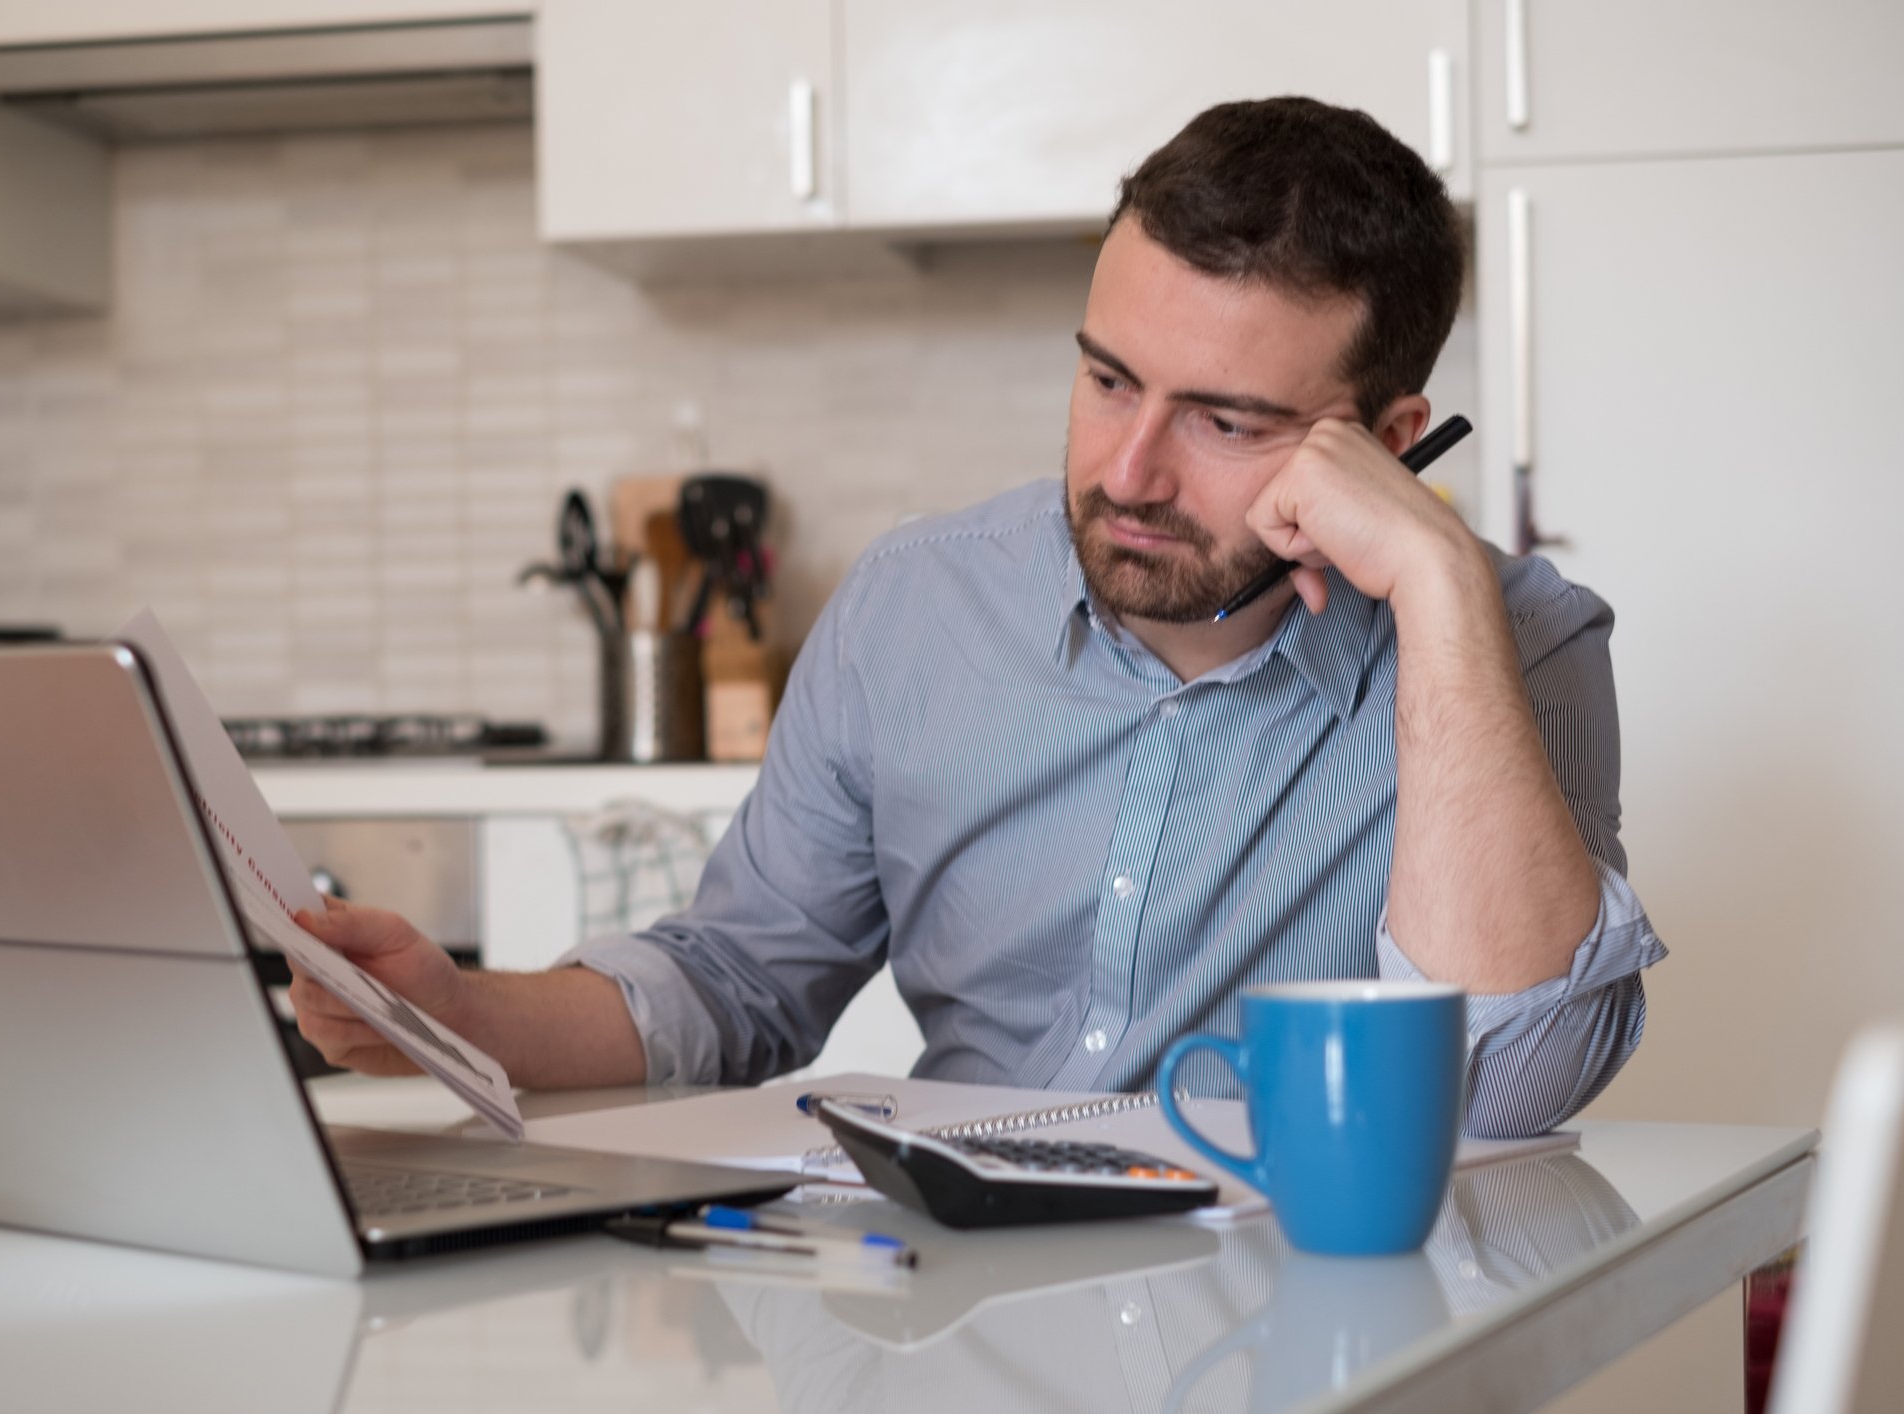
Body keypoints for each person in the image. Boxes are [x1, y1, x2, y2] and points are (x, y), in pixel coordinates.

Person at [289, 97, 1665, 1138]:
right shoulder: (915, 604)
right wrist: (460, 1015)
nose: (1127, 472)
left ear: (1389, 437)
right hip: (939, 1309)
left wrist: (1433, 588)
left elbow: (1509, 1083)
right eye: (1108, 379)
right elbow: (735, 980)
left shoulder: (1510, 640)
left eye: (1225, 419)